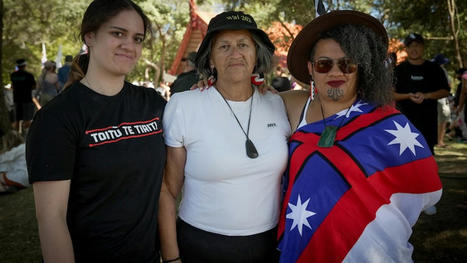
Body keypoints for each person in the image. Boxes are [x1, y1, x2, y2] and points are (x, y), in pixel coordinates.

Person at [277, 10, 442, 262]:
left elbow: (424, 185)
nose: (335, 72)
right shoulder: (293, 106)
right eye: (324, 64)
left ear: (360, 68)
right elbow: (243, 99)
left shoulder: (387, 123)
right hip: (307, 248)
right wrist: (207, 82)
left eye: (347, 64)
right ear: (311, 68)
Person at [26, 1, 166, 262]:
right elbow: (51, 218)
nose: (130, 45)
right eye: (117, 33)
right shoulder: (57, 118)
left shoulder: (153, 104)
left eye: (137, 38)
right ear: (90, 36)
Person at [159, 11, 290, 263]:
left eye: (243, 45)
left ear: (256, 54)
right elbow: (167, 190)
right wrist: (171, 258)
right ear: (210, 58)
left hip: (269, 246)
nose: (235, 54)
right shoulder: (184, 105)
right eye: (224, 46)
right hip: (201, 244)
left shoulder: (277, 103)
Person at [394, 33, 450, 154]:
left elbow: (445, 91)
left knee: (427, 158)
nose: (414, 49)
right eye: (410, 46)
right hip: (403, 126)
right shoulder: (398, 70)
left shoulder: (434, 69)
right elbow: (389, 94)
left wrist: (427, 96)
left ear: (423, 47)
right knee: (404, 161)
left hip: (428, 124)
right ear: (406, 49)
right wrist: (408, 96)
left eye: (417, 45)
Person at [10, 58, 36, 133]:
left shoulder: (13, 75)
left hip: (16, 99)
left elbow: (12, 86)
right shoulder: (29, 75)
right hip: (27, 99)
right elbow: (34, 86)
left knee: (17, 119)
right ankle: (25, 135)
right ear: (25, 65)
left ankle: (17, 134)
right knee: (27, 119)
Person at [431, 54, 451, 147]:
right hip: (441, 99)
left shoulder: (432, 70)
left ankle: (438, 140)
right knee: (442, 120)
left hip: (435, 98)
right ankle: (440, 141)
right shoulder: (442, 71)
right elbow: (448, 86)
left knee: (438, 120)